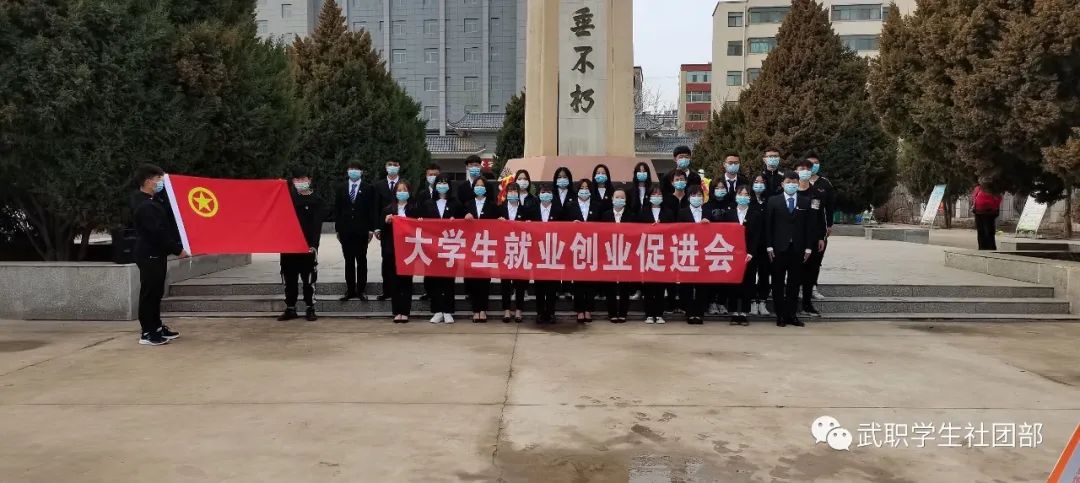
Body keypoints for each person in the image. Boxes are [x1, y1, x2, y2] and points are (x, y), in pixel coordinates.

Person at [130, 164, 188, 345]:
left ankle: (156, 326)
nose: (161, 182)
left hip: (156, 254)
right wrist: (177, 249)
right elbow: (157, 233)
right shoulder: (145, 206)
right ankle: (147, 332)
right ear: (148, 182)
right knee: (150, 293)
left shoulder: (152, 201)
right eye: (159, 179)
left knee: (156, 292)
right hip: (149, 254)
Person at [765, 171, 817, 327]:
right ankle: (780, 315)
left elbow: (810, 227)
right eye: (788, 182)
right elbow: (768, 225)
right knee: (778, 283)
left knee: (794, 284)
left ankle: (791, 315)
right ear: (782, 184)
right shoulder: (773, 201)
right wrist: (769, 246)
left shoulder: (805, 201)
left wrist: (808, 248)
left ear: (798, 183)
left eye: (794, 182)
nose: (792, 185)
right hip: (778, 248)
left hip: (798, 248)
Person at [278, 168, 325, 322]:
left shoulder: (316, 200)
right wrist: (277, 187)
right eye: (297, 180)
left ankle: (310, 307)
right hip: (288, 246)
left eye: (303, 179)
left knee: (308, 280)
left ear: (309, 180)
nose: (301, 182)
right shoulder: (288, 198)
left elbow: (317, 225)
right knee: (289, 279)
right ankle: (290, 308)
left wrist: (314, 245)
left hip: (307, 247)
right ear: (293, 181)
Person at [335, 162, 378, 301]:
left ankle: (361, 290)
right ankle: (350, 290)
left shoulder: (368, 188)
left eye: (356, 169)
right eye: (351, 169)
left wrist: (371, 229)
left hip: (362, 230)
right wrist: (338, 229)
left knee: (361, 260)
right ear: (347, 170)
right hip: (346, 230)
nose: (353, 171)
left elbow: (371, 209)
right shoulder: (341, 188)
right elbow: (337, 209)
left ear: (361, 171)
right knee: (348, 261)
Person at [720, 185, 763, 325]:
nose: (743, 197)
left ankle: (744, 312)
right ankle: (733, 312)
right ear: (736, 196)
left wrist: (751, 252)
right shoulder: (729, 214)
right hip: (732, 254)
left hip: (749, 255)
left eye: (746, 194)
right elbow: (724, 234)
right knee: (733, 283)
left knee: (748, 283)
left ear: (750, 197)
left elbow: (757, 236)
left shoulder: (755, 214)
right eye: (740, 194)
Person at [422, 176, 461, 324]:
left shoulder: (455, 203)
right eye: (439, 182)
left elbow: (464, 222)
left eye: (445, 183)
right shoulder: (428, 203)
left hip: (450, 246)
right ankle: (437, 310)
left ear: (449, 186)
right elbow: (421, 221)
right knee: (435, 280)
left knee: (449, 280)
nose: (442, 185)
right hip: (432, 247)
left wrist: (457, 221)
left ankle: (448, 310)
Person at [379, 180, 419, 323]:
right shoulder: (388, 209)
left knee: (406, 282)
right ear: (395, 193)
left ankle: (405, 311)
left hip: (409, 250)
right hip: (392, 250)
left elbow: (420, 228)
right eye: (399, 190)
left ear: (409, 192)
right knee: (394, 282)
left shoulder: (414, 209)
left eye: (405, 190)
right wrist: (386, 222)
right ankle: (397, 311)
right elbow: (381, 232)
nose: (402, 193)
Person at [562, 179, 602, 323]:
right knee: (578, 280)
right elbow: (562, 225)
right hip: (576, 246)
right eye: (582, 188)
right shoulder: (570, 206)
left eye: (587, 188)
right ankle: (579, 310)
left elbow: (602, 225)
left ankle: (588, 309)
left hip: (592, 246)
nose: (584, 190)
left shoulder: (597, 206)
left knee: (591, 280)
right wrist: (572, 225)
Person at [496, 182, 536, 323]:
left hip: (521, 249)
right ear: (506, 193)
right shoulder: (500, 209)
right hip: (505, 249)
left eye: (515, 191)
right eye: (510, 191)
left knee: (521, 281)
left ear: (519, 194)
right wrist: (498, 222)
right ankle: (506, 309)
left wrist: (529, 224)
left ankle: (519, 309)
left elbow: (532, 229)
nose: (513, 193)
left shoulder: (525, 210)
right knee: (505, 281)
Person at [638, 186, 673, 324]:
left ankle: (659, 314)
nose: (657, 196)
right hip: (648, 252)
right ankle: (649, 314)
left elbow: (673, 230)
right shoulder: (643, 212)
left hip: (663, 252)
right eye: (654, 194)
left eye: (659, 194)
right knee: (648, 286)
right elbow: (637, 230)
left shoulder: (668, 212)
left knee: (660, 286)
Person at [677, 186, 712, 324]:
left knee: (702, 284)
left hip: (703, 252)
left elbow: (715, 231)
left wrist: (709, 225)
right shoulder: (682, 212)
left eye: (699, 195)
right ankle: (689, 312)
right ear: (688, 197)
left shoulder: (707, 211)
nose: (697, 198)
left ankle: (699, 312)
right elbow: (678, 230)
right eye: (693, 195)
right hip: (688, 250)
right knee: (687, 284)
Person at [463, 176, 496, 322]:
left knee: (484, 280)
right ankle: (475, 309)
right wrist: (465, 217)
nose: (479, 188)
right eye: (477, 185)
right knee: (473, 280)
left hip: (486, 246)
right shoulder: (468, 204)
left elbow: (498, 224)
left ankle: (483, 309)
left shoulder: (492, 205)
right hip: (471, 247)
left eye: (482, 185)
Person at [804, 153, 835, 304]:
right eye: (810, 163)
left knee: (816, 260)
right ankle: (800, 287)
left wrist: (829, 225)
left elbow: (830, 206)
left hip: (819, 228)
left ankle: (813, 287)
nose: (813, 166)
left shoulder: (825, 183)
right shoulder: (799, 182)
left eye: (816, 163)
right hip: (802, 228)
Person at [599, 189, 633, 323]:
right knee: (610, 285)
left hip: (626, 253)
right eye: (617, 197)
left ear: (626, 200)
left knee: (625, 285)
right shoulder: (605, 215)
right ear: (612, 199)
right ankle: (612, 313)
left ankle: (623, 313)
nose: (619, 200)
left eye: (622, 197)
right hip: (609, 253)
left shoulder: (631, 215)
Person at [373, 160, 403, 301]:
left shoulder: (403, 184)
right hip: (386, 228)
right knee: (387, 260)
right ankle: (387, 290)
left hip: (403, 229)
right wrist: (377, 227)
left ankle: (401, 289)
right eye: (390, 165)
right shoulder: (378, 185)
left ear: (399, 167)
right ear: (385, 167)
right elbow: (375, 207)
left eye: (395, 165)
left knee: (401, 259)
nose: (392, 167)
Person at [534, 184, 561, 324]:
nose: (545, 194)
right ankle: (540, 312)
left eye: (548, 192)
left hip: (554, 252)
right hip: (537, 252)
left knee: (552, 285)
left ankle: (551, 312)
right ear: (539, 195)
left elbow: (565, 228)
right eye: (543, 192)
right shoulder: (533, 210)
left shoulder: (558, 210)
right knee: (539, 285)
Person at [749, 174, 773, 317]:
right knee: (751, 273)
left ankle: (763, 301)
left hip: (766, 244)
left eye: (762, 182)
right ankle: (752, 301)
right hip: (751, 245)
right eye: (756, 181)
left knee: (764, 273)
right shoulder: (747, 200)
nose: (759, 184)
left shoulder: (769, 201)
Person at [551, 166, 574, 299]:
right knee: (555, 260)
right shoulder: (551, 194)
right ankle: (555, 289)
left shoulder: (574, 195)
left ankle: (567, 288)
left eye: (565, 177)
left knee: (567, 261)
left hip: (569, 233)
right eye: (559, 177)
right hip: (554, 233)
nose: (562, 179)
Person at [972, 181, 1002, 250]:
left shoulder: (993, 189)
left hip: (988, 212)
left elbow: (998, 199)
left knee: (988, 231)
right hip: (979, 212)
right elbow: (974, 198)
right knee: (981, 231)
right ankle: (982, 248)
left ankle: (990, 248)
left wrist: (995, 208)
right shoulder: (978, 188)